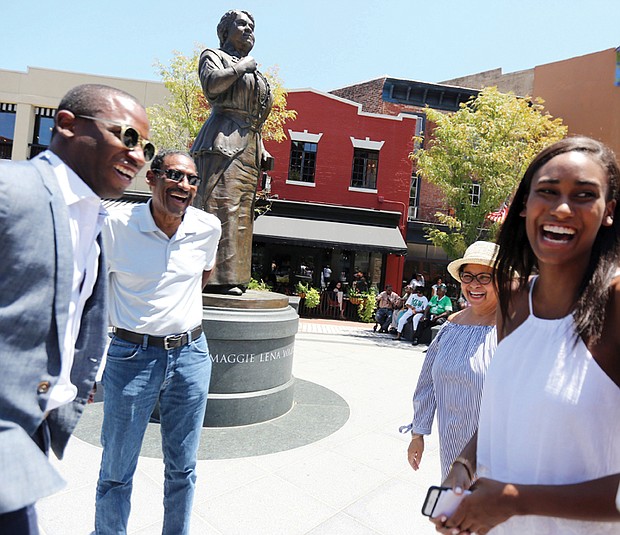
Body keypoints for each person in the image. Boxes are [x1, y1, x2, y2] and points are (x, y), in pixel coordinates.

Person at [436, 137, 620, 534]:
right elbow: (507, 414)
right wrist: (463, 467)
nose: (563, 208)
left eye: (585, 195)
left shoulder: (616, 306)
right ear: (524, 205)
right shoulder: (514, 301)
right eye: (548, 191)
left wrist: (515, 501)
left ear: (609, 212)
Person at [0, 84, 151, 532]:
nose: (139, 155)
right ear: (66, 124)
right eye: (127, 136)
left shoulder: (94, 219)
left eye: (146, 146)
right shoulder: (11, 190)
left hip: (33, 434)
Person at [95, 150, 221, 535]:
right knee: (117, 470)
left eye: (191, 179)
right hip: (131, 356)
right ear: (151, 179)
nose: (183, 185)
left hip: (192, 355)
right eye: (174, 175)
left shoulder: (208, 227)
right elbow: (89, 293)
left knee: (183, 468)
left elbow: (203, 273)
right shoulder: (115, 226)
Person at [400, 241, 499, 481]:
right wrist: (418, 434)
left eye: (485, 277)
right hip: (453, 449)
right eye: (468, 276)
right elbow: (427, 383)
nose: (474, 284)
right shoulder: (451, 327)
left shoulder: (517, 329)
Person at [191, 9, 273, 296]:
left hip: (249, 147)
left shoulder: (254, 69)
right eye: (242, 24)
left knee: (243, 215)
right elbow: (212, 85)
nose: (249, 29)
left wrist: (261, 147)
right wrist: (241, 69)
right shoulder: (214, 55)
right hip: (222, 141)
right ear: (225, 30)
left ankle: (236, 277)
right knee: (221, 207)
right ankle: (214, 279)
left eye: (252, 25)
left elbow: (257, 118)